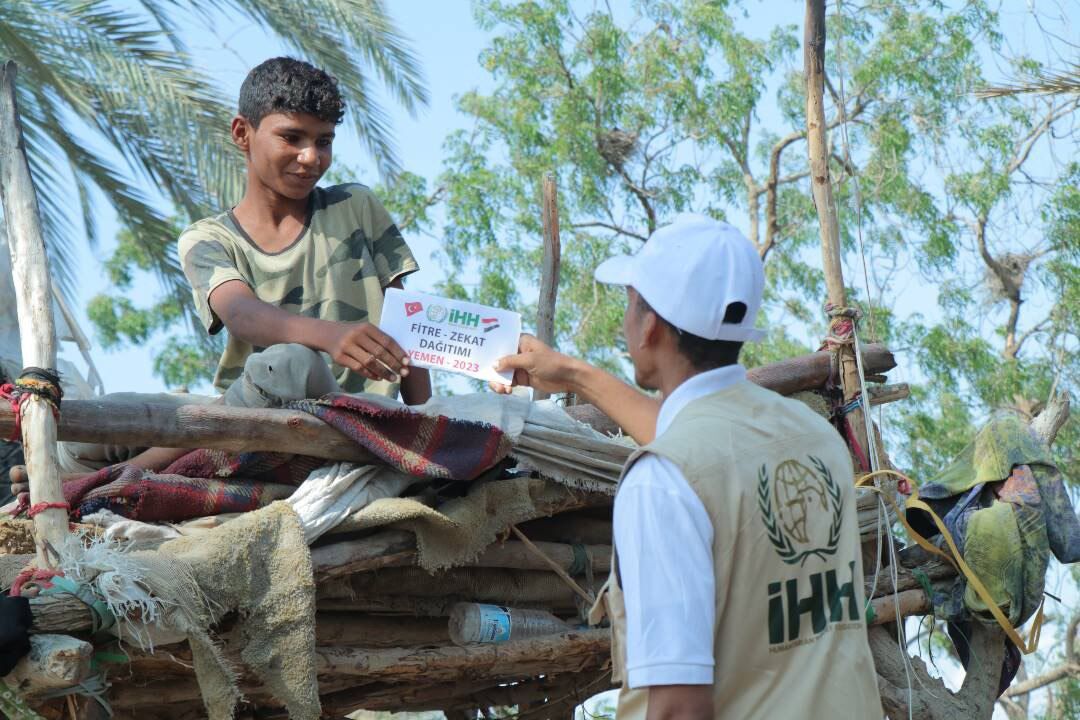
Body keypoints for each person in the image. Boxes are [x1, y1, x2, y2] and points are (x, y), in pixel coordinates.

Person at [492, 214, 882, 719]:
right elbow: (703, 442)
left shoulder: (662, 481)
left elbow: (678, 707)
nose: (625, 319)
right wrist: (571, 373)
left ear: (649, 324)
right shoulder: (815, 439)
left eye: (629, 303)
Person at [9, 57, 431, 503]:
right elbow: (241, 314)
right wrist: (332, 335)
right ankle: (96, 469)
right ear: (242, 134)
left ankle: (104, 483)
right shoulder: (208, 238)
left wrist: (422, 426)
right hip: (247, 408)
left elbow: (408, 323)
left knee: (290, 361)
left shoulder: (355, 206)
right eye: (292, 137)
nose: (311, 157)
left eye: (323, 141)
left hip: (350, 420)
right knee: (89, 426)